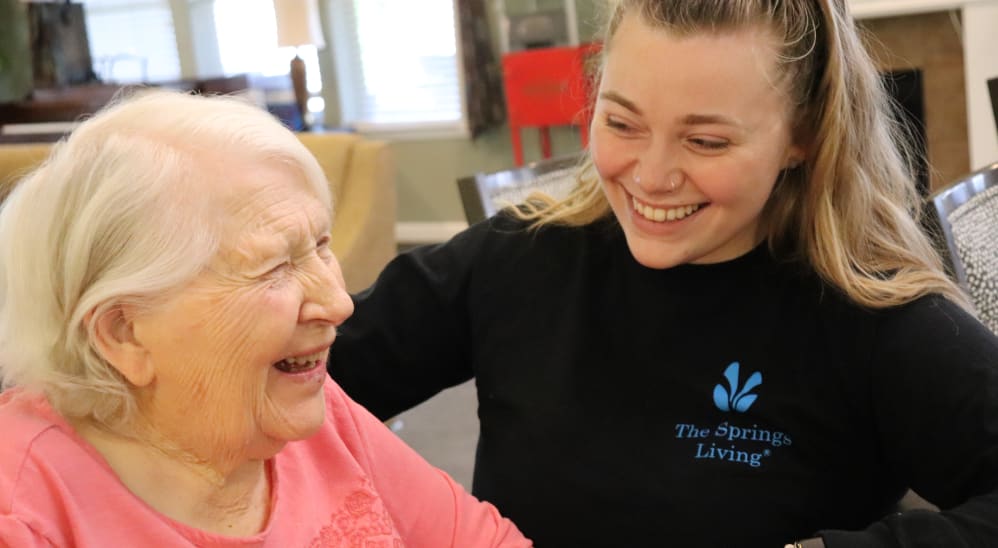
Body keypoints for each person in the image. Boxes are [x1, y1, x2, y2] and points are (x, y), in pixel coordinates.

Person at [328, 0, 998, 546]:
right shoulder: (515, 259)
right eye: (622, 122)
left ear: (804, 136)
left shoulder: (872, 318)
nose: (650, 176)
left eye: (706, 141)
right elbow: (298, 381)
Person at [0, 90, 531, 547]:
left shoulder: (308, 414)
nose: (340, 304)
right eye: (275, 267)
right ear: (124, 333)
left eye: (320, 246)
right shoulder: (26, 511)